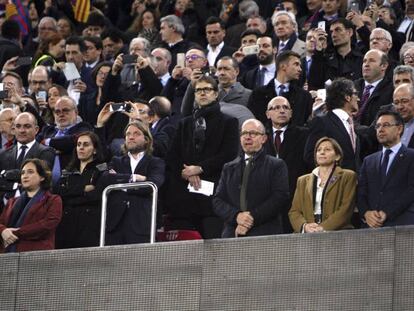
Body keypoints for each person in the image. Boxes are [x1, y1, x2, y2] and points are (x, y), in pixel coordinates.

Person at [166, 75, 239, 238]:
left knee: (214, 243)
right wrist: (185, 172)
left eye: (207, 89)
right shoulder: (184, 123)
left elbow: (229, 153)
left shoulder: (229, 122)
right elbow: (172, 155)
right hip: (185, 198)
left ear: (216, 93)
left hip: (214, 196)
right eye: (198, 90)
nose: (202, 93)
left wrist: (199, 168)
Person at [213, 119, 289, 238]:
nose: (247, 137)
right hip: (232, 233)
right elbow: (218, 201)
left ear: (264, 139)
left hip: (265, 234)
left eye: (253, 133)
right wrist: (237, 217)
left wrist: (250, 218)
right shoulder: (228, 168)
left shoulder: (276, 165)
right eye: (244, 133)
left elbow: (280, 197)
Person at [100, 121, 165, 245]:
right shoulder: (116, 161)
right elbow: (106, 179)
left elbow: (152, 185)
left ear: (146, 139)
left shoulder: (156, 162)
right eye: (128, 134)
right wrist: (133, 178)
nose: (131, 137)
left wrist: (121, 186)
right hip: (115, 224)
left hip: (142, 224)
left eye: (136, 133)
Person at [358, 110, 414, 227]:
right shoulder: (369, 161)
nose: (380, 129)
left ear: (399, 129)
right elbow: (361, 192)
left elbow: (411, 191)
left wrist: (387, 213)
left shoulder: (411, 156)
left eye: (386, 125)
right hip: (372, 228)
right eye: (378, 126)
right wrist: (366, 213)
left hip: (402, 225)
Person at [289, 137, 357, 233]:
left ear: (337, 156)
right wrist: (305, 227)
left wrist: (323, 228)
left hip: (338, 233)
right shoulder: (302, 180)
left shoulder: (347, 176)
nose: (322, 152)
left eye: (327, 149)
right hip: (308, 236)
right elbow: (294, 211)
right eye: (319, 150)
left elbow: (346, 208)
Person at [55, 132, 106, 248]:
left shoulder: (102, 169)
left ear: (95, 150)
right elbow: (58, 193)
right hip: (67, 225)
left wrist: (69, 193)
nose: (81, 148)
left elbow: (96, 196)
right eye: (79, 144)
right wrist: (83, 189)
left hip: (90, 224)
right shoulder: (67, 171)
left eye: (86, 144)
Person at [0, 159, 62, 252]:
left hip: (36, 254)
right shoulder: (12, 201)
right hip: (8, 253)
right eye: (23, 173)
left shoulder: (53, 200)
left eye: (30, 172)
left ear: (42, 177)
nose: (25, 176)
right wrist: (3, 230)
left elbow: (48, 225)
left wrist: (16, 232)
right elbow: (1, 222)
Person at [305, 78, 361, 172]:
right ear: (347, 97)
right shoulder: (322, 122)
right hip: (332, 184)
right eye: (355, 94)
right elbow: (310, 155)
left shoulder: (352, 125)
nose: (358, 99)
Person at [248, 50, 313, 127]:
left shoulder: (304, 96)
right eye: (296, 64)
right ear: (283, 66)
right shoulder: (257, 94)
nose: (300, 69)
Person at [354, 49, 393, 126]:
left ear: (384, 66)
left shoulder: (391, 90)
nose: (366, 64)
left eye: (371, 61)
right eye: (364, 61)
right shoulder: (352, 87)